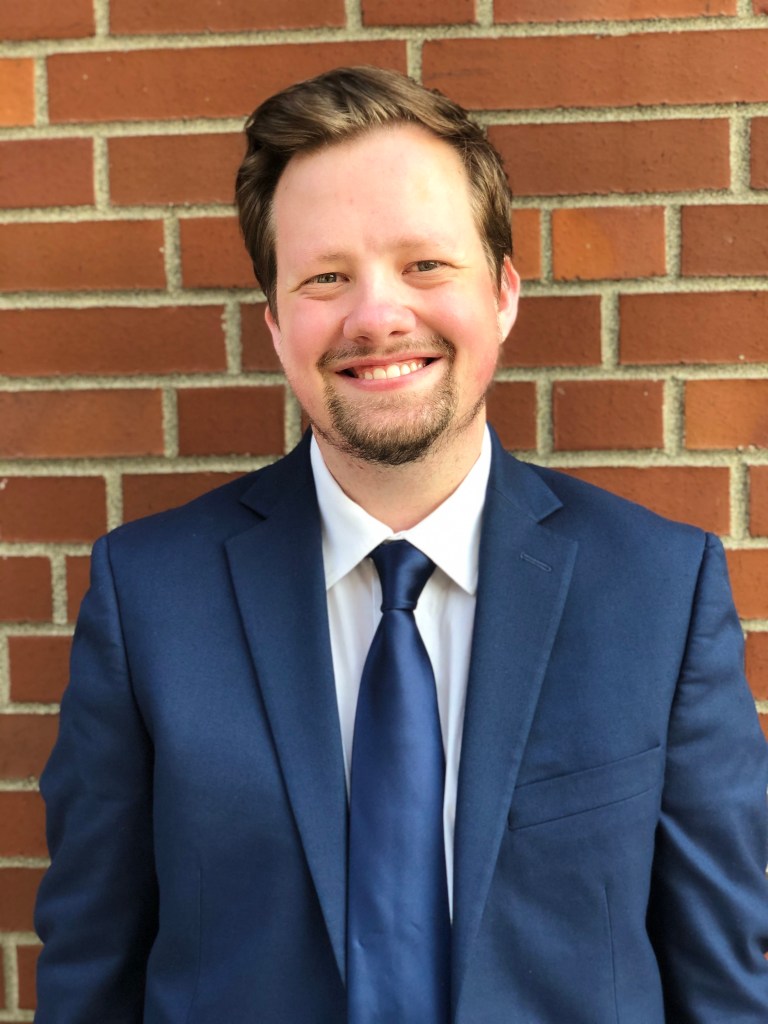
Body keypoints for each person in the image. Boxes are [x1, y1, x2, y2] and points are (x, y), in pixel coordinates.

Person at [35, 66, 767, 1023]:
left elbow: (725, 985)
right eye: (325, 276)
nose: (376, 316)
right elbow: (93, 971)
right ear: (274, 321)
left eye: (425, 264)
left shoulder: (660, 592)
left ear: (503, 293)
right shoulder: (150, 596)